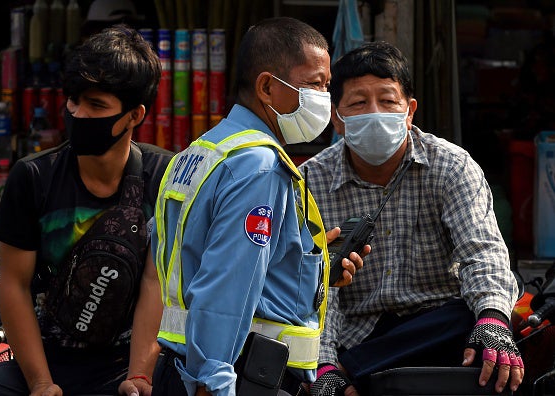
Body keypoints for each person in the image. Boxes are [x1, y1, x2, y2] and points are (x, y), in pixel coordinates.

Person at [119, 16, 368, 396]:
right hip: (240, 376)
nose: (323, 97)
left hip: (185, 366)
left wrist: (312, 270)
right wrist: (214, 381)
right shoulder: (259, 165)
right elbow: (226, 285)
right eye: (315, 84)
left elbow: (193, 262)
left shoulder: (198, 153)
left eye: (326, 85)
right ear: (267, 87)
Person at [299, 41, 524, 396]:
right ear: (337, 118)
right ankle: (343, 367)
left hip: (437, 327)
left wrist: (493, 320)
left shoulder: (451, 165)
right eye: (358, 103)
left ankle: (354, 369)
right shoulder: (311, 181)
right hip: (357, 333)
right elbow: (313, 289)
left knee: (479, 315)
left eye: (387, 101)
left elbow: (482, 253)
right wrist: (325, 363)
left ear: (410, 111)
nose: (374, 112)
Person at [0, 24, 173, 395]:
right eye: (73, 100)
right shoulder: (33, 177)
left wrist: (139, 376)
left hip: (128, 361)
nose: (77, 113)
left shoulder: (165, 177)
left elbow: (155, 282)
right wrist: (41, 383)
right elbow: (14, 283)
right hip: (46, 360)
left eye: (96, 105)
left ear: (134, 116)